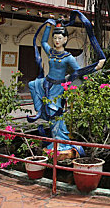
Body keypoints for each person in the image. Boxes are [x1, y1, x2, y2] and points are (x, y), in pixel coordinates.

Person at [27, 20, 105, 158]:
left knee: (54, 112)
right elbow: (43, 42)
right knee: (32, 85)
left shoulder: (68, 57)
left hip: (58, 87)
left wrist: (95, 67)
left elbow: (79, 71)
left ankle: (60, 142)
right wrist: (48, 26)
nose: (57, 40)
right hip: (46, 83)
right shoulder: (51, 52)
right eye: (55, 38)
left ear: (65, 39)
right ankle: (42, 115)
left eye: (59, 38)